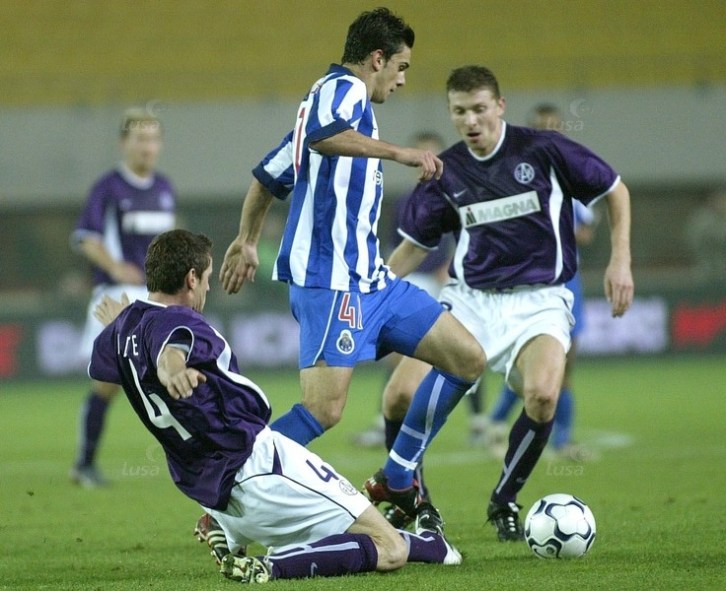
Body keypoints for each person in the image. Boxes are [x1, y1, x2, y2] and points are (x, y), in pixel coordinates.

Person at [218, 7, 485, 522]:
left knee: (466, 359)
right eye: (401, 67)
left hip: (374, 281)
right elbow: (324, 133)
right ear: (377, 59)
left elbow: (269, 175)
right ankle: (228, 491)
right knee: (324, 410)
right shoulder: (343, 89)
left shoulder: (332, 107)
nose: (402, 80)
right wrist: (401, 154)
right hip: (331, 281)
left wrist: (247, 240)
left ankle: (397, 478)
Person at [89, 229, 461, 583]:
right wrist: (172, 369)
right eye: (206, 278)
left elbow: (140, 342)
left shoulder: (124, 329)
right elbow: (172, 346)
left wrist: (119, 324)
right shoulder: (180, 321)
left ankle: (433, 543)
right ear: (190, 278)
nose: (207, 287)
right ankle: (272, 567)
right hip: (261, 468)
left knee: (371, 536)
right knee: (390, 548)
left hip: (212, 492)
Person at [366, 65, 633, 542]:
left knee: (544, 395)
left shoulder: (544, 150)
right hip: (470, 302)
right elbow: (414, 247)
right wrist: (371, 294)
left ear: (500, 106)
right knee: (400, 394)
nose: (470, 121)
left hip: (540, 301)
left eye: (479, 109)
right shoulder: (445, 170)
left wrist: (620, 260)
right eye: (459, 112)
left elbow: (615, 190)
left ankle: (504, 499)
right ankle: (414, 501)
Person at [352, 130, 488, 451]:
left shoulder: (460, 194)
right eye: (421, 155)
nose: (427, 162)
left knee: (463, 349)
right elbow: (394, 245)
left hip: (448, 282)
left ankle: (478, 421)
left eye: (433, 154)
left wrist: (451, 266)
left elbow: (472, 237)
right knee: (397, 354)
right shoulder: (404, 201)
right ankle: (386, 420)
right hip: (411, 280)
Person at [69, 107, 176, 487]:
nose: (148, 147)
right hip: (119, 296)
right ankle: (84, 464)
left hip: (157, 297)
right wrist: (115, 267)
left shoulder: (164, 188)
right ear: (124, 143)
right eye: (140, 139)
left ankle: (193, 461)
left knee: (170, 375)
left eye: (153, 139)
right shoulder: (109, 188)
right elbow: (86, 238)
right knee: (109, 383)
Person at [486, 103, 598, 459]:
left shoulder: (573, 175)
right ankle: (497, 422)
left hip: (568, 282)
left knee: (564, 367)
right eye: (541, 127)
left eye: (553, 127)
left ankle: (560, 441)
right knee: (528, 365)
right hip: (531, 284)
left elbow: (587, 231)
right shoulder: (515, 176)